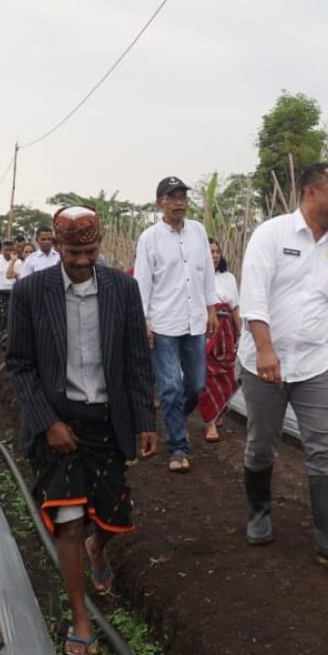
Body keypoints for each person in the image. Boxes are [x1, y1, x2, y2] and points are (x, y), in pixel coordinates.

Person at [6, 206, 157, 655]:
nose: (81, 260)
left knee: (114, 514)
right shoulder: (32, 291)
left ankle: (99, 547)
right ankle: (81, 616)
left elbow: (135, 358)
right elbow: (18, 363)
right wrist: (47, 422)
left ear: (100, 244)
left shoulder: (123, 290)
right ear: (57, 247)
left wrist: (146, 420)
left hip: (107, 422)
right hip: (59, 423)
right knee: (67, 521)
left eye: (90, 250)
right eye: (73, 251)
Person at [238, 162, 328, 576]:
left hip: (314, 363)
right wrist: (264, 348)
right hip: (264, 362)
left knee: (324, 447)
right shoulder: (272, 235)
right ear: (311, 192)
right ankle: (259, 511)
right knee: (262, 444)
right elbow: (254, 297)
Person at [133, 176, 218, 473]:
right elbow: (142, 282)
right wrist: (142, 321)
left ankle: (174, 420)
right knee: (169, 387)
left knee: (196, 384)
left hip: (194, 321)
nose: (179, 202)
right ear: (160, 203)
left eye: (182, 196)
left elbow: (207, 272)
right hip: (163, 323)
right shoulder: (149, 238)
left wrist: (211, 308)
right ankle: (178, 447)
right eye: (172, 197)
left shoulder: (198, 232)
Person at [198, 238, 242, 444]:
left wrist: (241, 333)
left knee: (229, 374)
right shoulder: (195, 277)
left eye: (217, 251)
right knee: (207, 375)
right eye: (210, 252)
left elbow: (234, 307)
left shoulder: (228, 278)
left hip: (227, 332)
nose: (215, 255)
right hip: (206, 330)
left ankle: (221, 409)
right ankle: (210, 422)